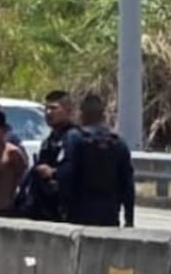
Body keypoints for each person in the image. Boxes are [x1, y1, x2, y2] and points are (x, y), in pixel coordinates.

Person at [58, 93, 136, 228]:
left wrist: (62, 207)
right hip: (109, 213)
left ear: (82, 114)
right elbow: (128, 184)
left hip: (79, 212)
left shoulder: (74, 138)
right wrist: (129, 219)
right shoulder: (118, 142)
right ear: (102, 115)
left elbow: (66, 175)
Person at [16, 89, 79, 222]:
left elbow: (78, 170)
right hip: (46, 207)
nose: (48, 113)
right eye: (46, 109)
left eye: (54, 108)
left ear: (68, 110)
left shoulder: (75, 137)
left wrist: (53, 172)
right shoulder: (50, 139)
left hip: (66, 207)